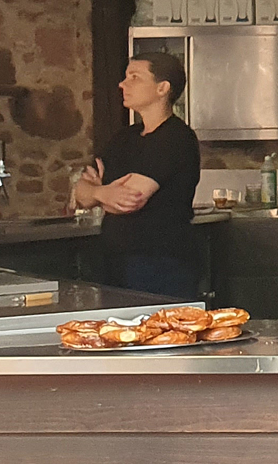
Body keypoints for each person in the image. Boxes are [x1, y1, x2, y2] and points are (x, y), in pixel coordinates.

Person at [72, 52, 204, 299]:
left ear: (162, 88)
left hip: (161, 263)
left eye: (135, 77)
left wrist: (97, 193)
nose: (123, 84)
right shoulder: (124, 138)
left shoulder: (176, 137)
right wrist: (102, 193)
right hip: (115, 260)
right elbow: (80, 193)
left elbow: (129, 200)